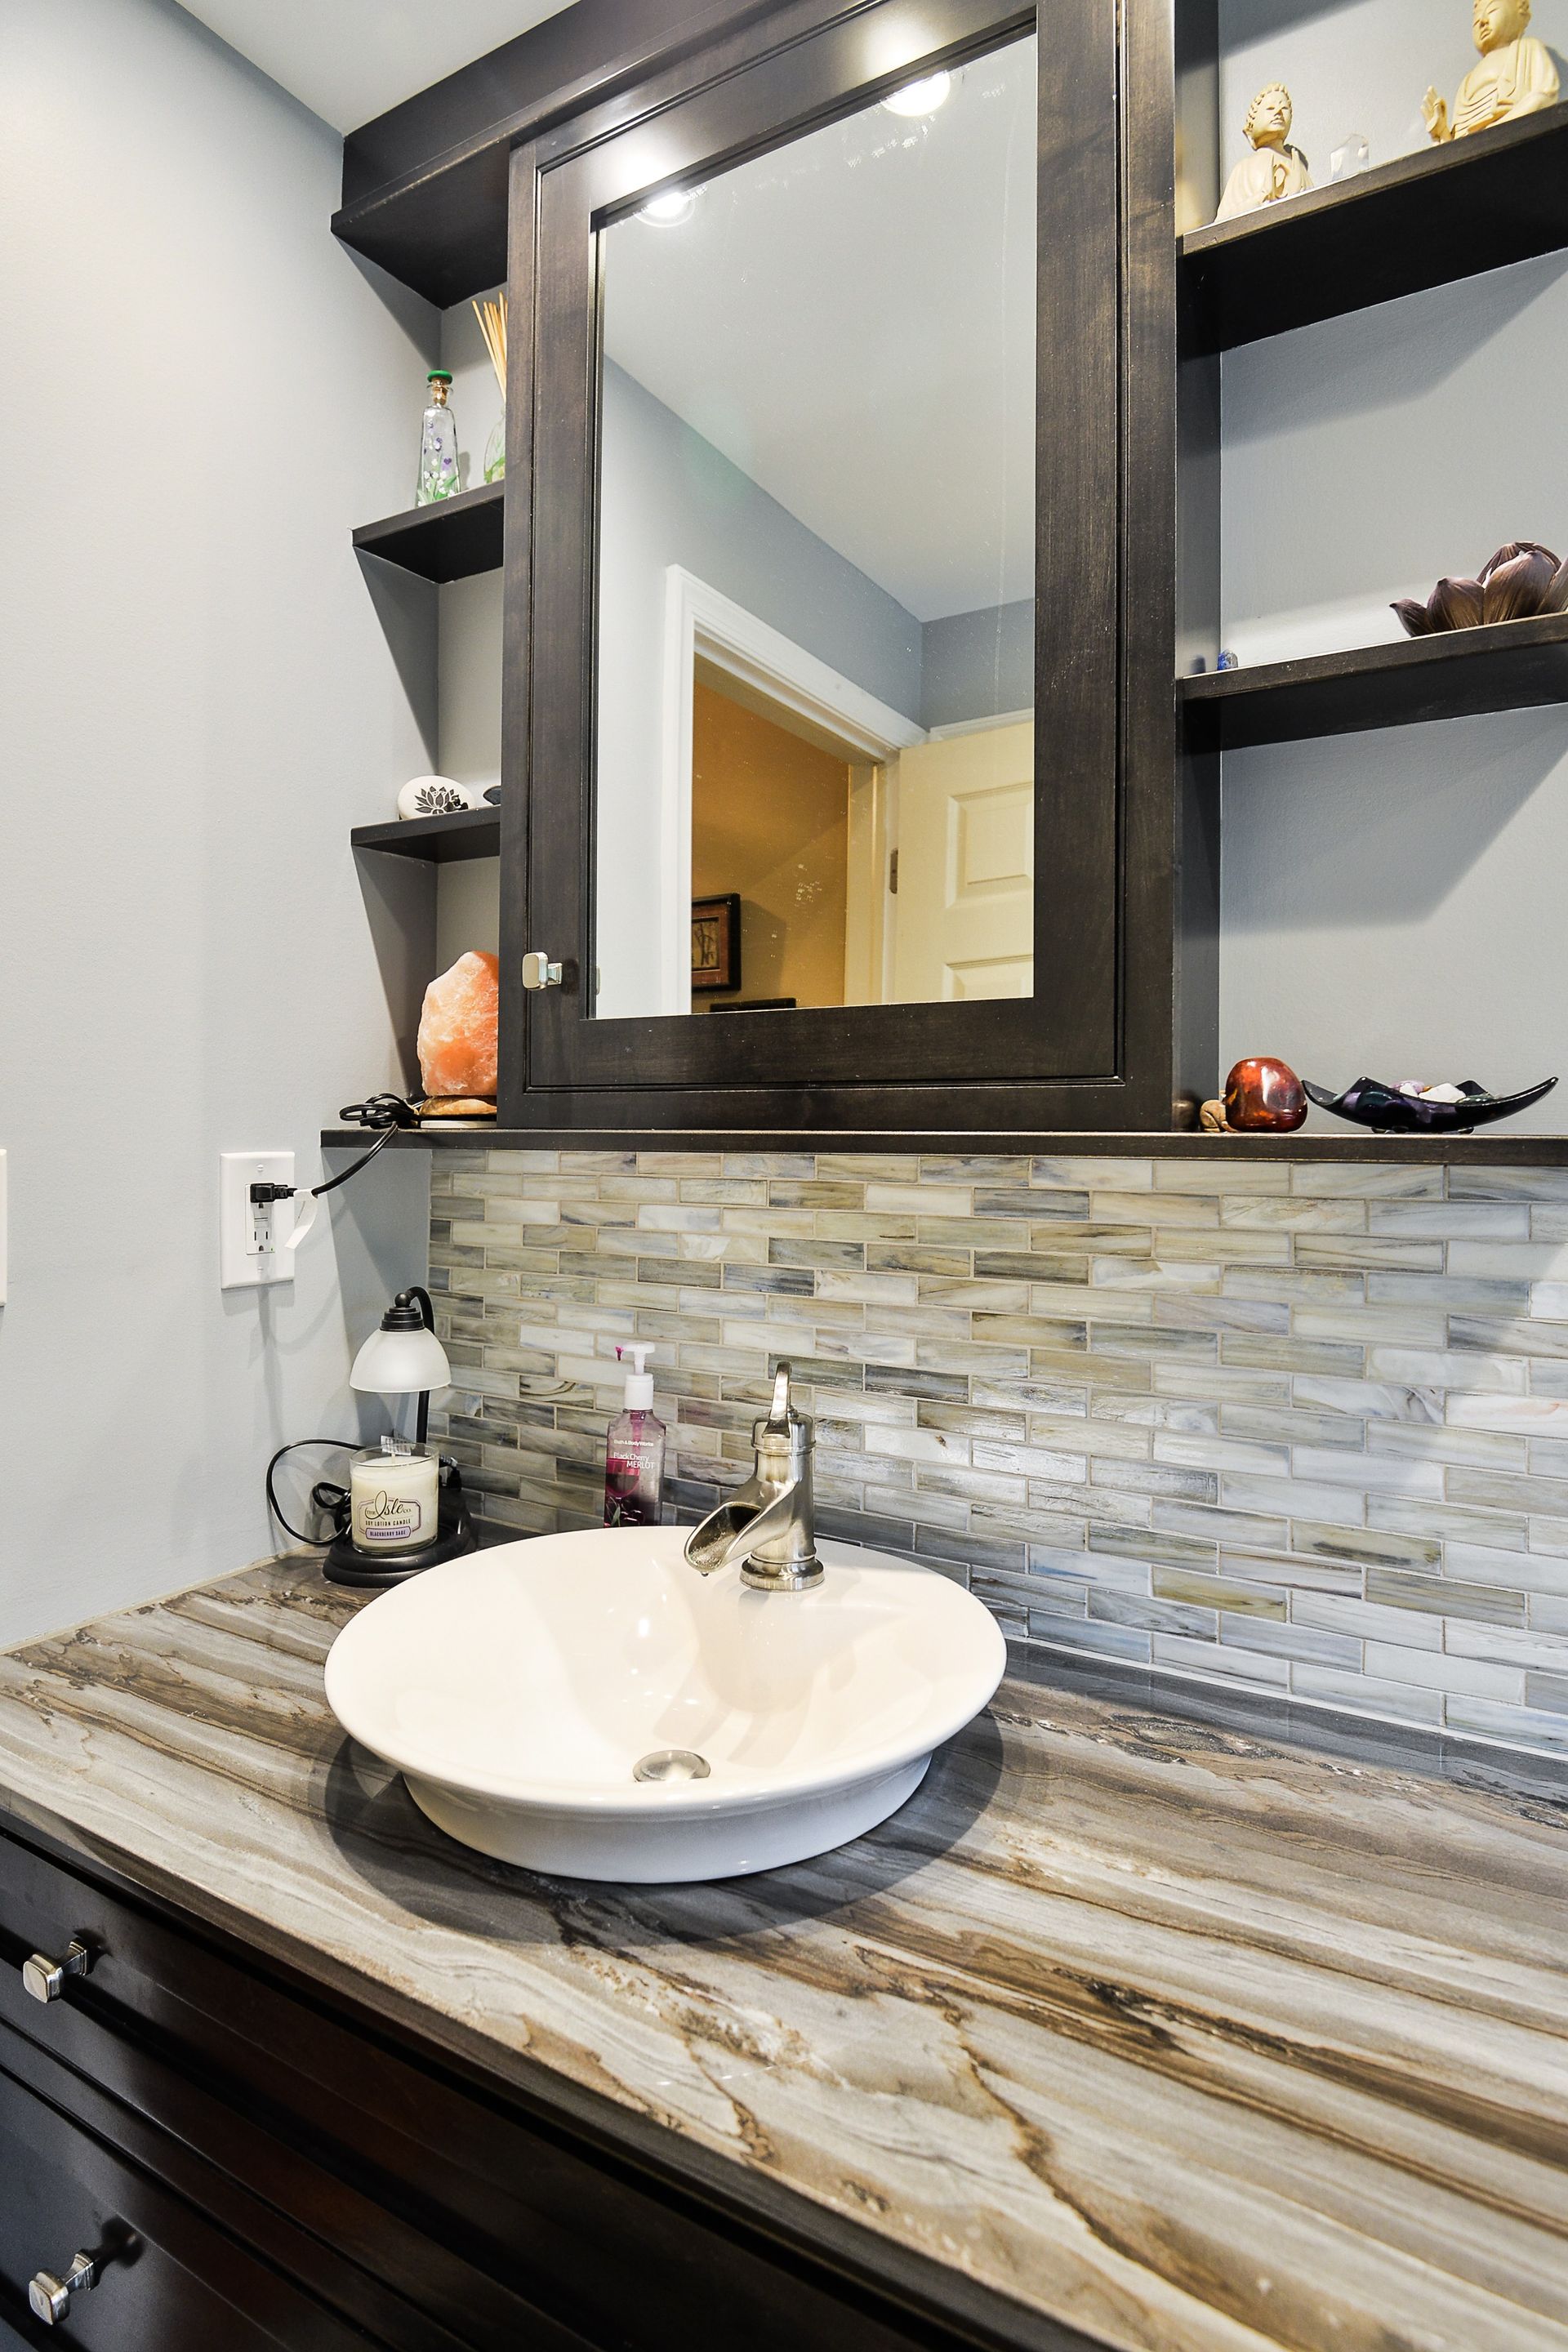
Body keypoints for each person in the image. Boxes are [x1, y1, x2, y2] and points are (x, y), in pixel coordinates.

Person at [1424, 0, 1560, 141]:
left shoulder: (1527, 49)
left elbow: (1544, 97)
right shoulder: (1467, 81)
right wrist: (1441, 133)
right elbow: (1459, 148)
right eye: (1476, 21)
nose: (1482, 21)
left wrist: (1494, 131)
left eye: (1492, 11)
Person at [1214, 84, 1312, 224]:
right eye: (1270, 108)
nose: (1278, 111)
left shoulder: (1298, 167)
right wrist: (1260, 199)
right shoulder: (1244, 167)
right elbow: (1222, 222)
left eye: (1284, 108)